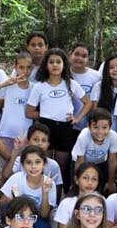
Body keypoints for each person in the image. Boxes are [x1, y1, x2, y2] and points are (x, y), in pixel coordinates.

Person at [27, 48, 92, 188]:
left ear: (64, 65)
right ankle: (43, 192)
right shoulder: (39, 86)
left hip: (65, 128)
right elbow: (29, 112)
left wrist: (78, 118)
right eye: (51, 62)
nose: (55, 65)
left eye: (58, 62)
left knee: (61, 167)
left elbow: (88, 103)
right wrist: (45, 114)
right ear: (46, 65)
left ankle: (59, 195)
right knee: (44, 165)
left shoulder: (71, 84)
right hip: (45, 129)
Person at [0, 146, 58, 228]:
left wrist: (45, 192)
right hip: (17, 215)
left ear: (44, 164)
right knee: (7, 210)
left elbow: (44, 214)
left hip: (35, 218)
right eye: (29, 162)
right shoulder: (16, 178)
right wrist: (12, 200)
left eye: (37, 162)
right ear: (23, 165)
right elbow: (2, 203)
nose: (33, 166)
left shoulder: (50, 183)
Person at [0, 52, 34, 159]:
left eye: (28, 67)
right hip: (6, 133)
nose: (25, 71)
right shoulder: (9, 85)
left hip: (26, 136)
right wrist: (5, 83)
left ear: (32, 68)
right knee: (6, 164)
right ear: (15, 67)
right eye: (21, 67)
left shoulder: (34, 88)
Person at [72, 108, 117, 194]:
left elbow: (113, 160)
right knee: (80, 188)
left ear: (110, 127)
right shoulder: (83, 136)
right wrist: (78, 182)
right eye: (95, 127)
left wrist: (111, 182)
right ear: (88, 126)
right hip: (82, 162)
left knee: (101, 188)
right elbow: (80, 161)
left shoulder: (114, 136)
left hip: (101, 162)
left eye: (104, 127)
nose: (100, 132)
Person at [2, 122, 63, 190]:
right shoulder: (19, 160)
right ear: (28, 142)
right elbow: (6, 175)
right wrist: (15, 151)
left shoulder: (53, 165)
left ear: (48, 145)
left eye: (43, 140)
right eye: (35, 139)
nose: (40, 143)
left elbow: (57, 190)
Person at [69, 42, 102, 133]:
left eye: (84, 56)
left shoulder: (96, 76)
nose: (79, 58)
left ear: (88, 59)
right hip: (68, 124)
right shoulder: (63, 74)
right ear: (70, 54)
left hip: (88, 127)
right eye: (76, 54)